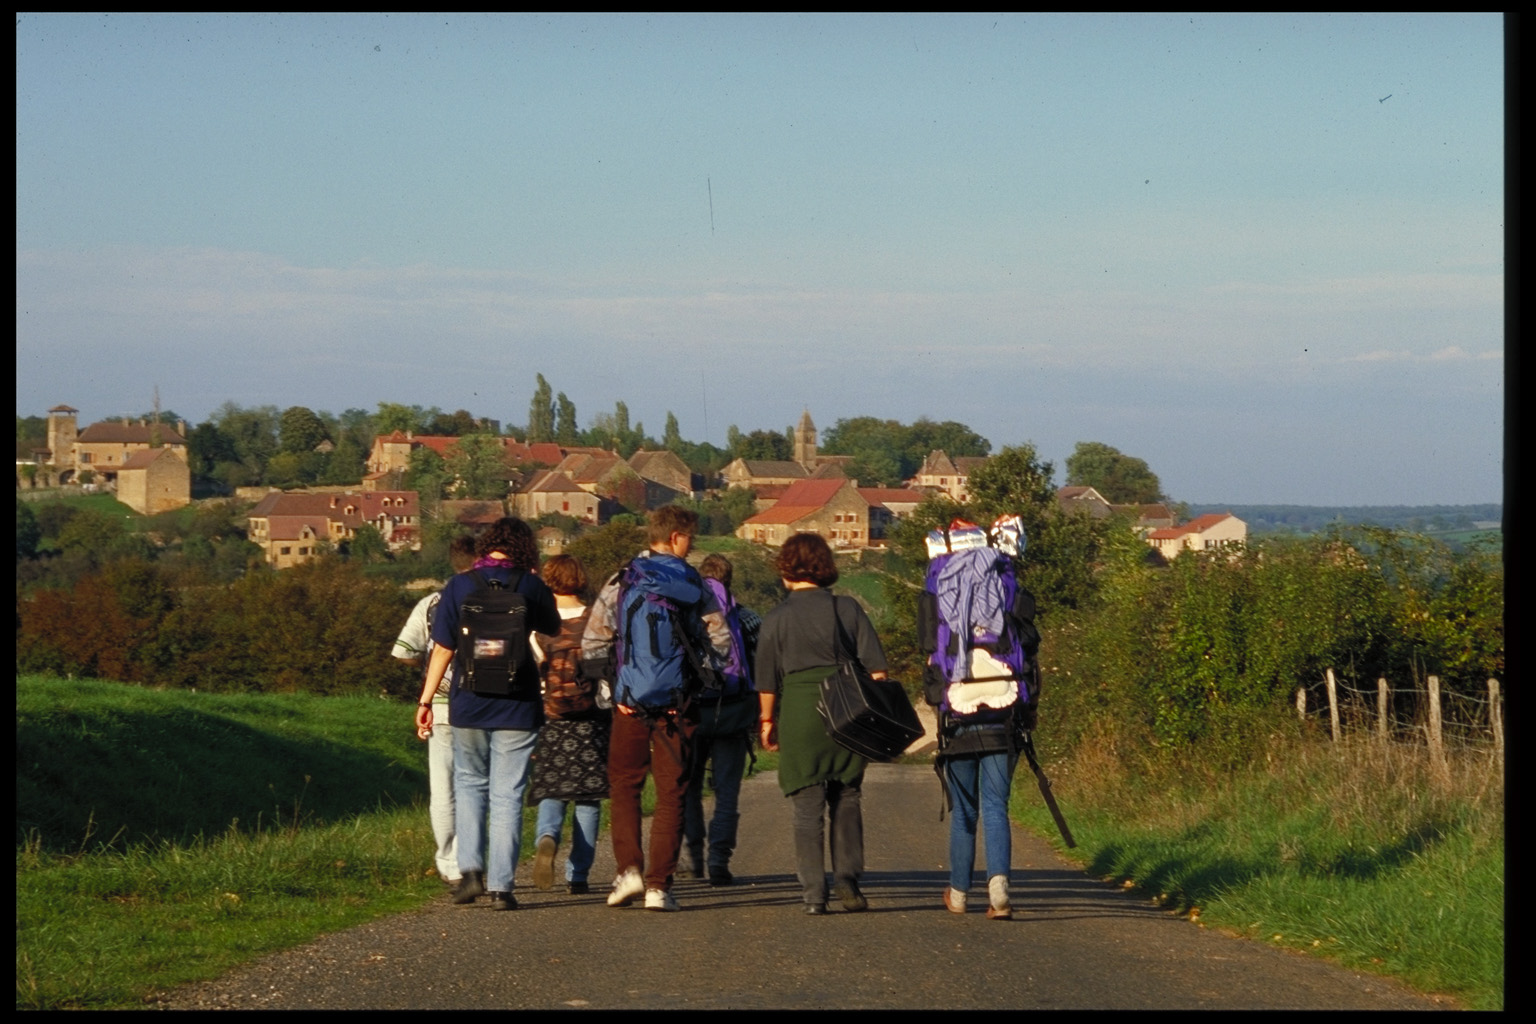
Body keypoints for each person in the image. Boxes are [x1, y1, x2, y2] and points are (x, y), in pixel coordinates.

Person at [582, 505, 732, 913]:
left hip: (629, 703)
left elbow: (594, 642)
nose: (692, 546)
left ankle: (628, 870)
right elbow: (720, 643)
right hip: (677, 706)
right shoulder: (692, 582)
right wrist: (700, 678)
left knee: (625, 786)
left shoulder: (621, 579)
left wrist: (615, 692)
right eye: (690, 539)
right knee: (672, 793)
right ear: (674, 538)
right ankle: (658, 887)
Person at [414, 517, 559, 911]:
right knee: (508, 794)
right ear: (525, 548)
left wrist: (426, 701)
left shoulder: (460, 586)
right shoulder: (529, 585)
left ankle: (471, 872)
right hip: (519, 700)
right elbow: (552, 625)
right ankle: (502, 886)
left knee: (469, 785)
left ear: (487, 545)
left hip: (469, 701)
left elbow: (442, 649)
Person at [756, 532, 888, 915]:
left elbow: (766, 682)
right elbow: (877, 670)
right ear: (824, 566)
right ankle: (847, 880)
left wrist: (767, 722)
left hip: (798, 711)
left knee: (806, 807)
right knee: (847, 797)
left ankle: (814, 895)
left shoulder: (776, 618)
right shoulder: (846, 609)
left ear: (786, 568)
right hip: (845, 710)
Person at [393, 534, 478, 890]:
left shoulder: (431, 603)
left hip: (441, 704)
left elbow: (402, 651)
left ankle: (450, 864)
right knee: (476, 785)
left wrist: (428, 670)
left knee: (443, 789)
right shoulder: (493, 598)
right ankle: (477, 860)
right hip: (482, 703)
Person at [527, 554, 610, 896]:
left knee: (552, 790)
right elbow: (606, 676)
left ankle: (547, 836)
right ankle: (578, 874)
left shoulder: (538, 625)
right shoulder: (595, 620)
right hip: (591, 719)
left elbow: (533, 676)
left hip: (551, 719)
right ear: (580, 579)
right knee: (588, 798)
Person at [681, 552, 761, 886]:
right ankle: (719, 861)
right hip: (734, 710)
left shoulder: (689, 615)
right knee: (727, 792)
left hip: (694, 710)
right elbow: (760, 664)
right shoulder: (749, 618)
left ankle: (694, 857)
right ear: (729, 581)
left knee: (690, 787)